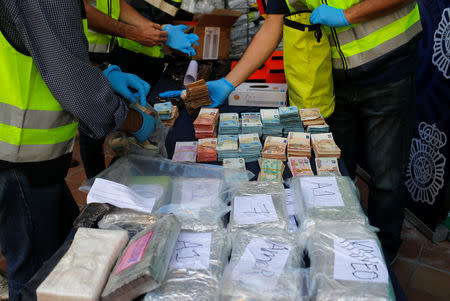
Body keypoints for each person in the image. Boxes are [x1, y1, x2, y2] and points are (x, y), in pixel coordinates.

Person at [162, 0, 422, 262]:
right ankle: (342, 247)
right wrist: (229, 82)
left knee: (386, 175)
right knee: (335, 171)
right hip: (329, 80)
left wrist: (347, 15)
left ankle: (384, 259)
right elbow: (274, 24)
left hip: (388, 68)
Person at [0, 1, 158, 300]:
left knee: (63, 258)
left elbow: (51, 51)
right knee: (36, 277)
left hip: (32, 161)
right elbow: (72, 83)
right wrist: (135, 121)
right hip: (19, 160)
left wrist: (104, 74)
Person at [80, 0, 198, 178]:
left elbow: (114, 3)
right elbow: (80, 10)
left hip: (106, 54)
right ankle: (96, 185)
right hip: (83, 55)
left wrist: (157, 29)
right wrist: (133, 32)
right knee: (91, 128)